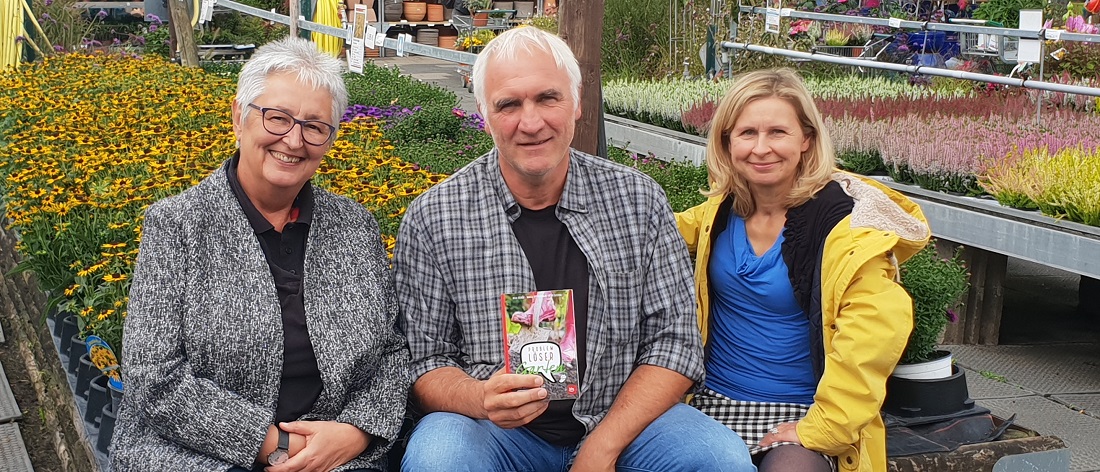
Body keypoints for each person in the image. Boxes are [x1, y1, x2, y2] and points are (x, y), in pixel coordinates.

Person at [393, 26, 754, 472]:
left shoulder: (637, 200)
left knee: (720, 460)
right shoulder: (435, 216)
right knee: (439, 460)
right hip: (496, 433)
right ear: (484, 113)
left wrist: (603, 446)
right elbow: (425, 359)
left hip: (621, 419)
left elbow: (674, 345)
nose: (531, 122)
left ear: (578, 102)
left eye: (548, 98)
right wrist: (480, 397)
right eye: (508, 104)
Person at [110, 37, 410, 472]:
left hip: (337, 454)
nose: (294, 139)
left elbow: (392, 352)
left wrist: (356, 431)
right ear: (239, 116)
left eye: (315, 126)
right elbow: (153, 376)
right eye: (278, 118)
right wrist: (275, 444)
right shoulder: (178, 224)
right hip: (198, 453)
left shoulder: (355, 225)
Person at [676, 68, 931, 472]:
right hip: (708, 400)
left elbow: (874, 335)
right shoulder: (719, 213)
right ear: (726, 142)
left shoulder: (843, 228)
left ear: (807, 139)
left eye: (778, 132)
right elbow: (651, 231)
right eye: (746, 133)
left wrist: (821, 429)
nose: (761, 148)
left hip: (802, 410)